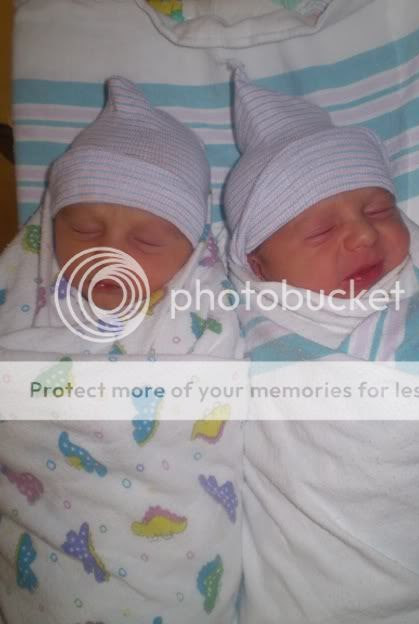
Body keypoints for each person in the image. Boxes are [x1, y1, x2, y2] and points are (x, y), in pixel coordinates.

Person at [223, 67, 419, 624]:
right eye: (320, 231)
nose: (363, 233)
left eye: (379, 210)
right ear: (257, 266)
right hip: (313, 589)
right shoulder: (241, 324)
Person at [0, 77, 243, 623]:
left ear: (192, 251)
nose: (110, 254)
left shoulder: (206, 318)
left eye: (147, 240)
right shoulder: (26, 306)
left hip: (174, 574)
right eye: (85, 230)